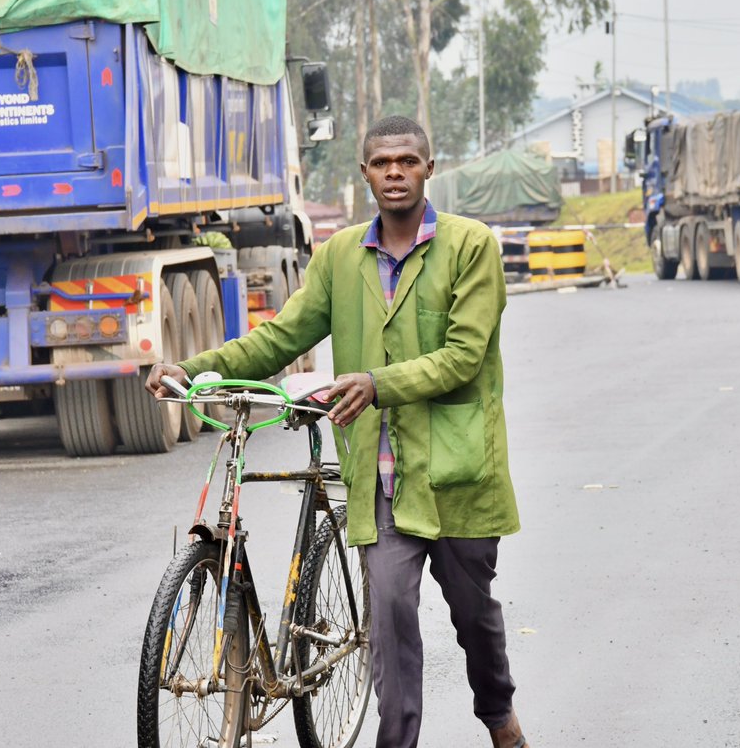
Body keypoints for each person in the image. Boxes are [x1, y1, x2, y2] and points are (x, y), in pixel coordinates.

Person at [146, 115, 530, 748]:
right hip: (380, 479)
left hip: (459, 472)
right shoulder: (339, 257)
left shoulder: (470, 246)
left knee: (474, 620)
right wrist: (191, 370)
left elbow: (464, 356)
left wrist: (376, 384)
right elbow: (279, 339)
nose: (396, 173)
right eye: (382, 163)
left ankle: (499, 717)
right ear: (365, 175)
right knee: (391, 618)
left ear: (428, 169)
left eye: (408, 161)